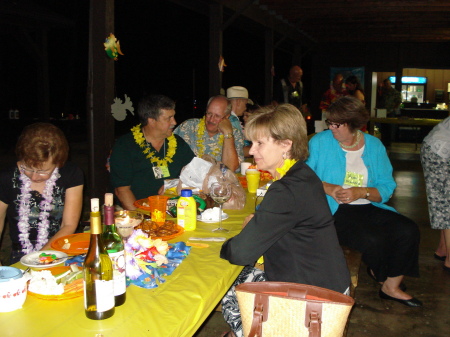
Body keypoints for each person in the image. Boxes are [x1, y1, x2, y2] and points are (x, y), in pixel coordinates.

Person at [220, 104, 351, 336]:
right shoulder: (301, 174)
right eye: (252, 143)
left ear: (286, 145)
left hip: (314, 297)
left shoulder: (287, 190)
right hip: (326, 279)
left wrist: (227, 242)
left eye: (260, 143)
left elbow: (240, 252)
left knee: (228, 290)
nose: (251, 151)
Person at [306, 96, 422, 307]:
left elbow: (386, 187)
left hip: (369, 206)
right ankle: (381, 272)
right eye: (329, 122)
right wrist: (330, 188)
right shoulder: (319, 142)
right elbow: (304, 177)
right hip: (333, 210)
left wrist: (362, 192)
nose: (331, 127)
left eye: (336, 124)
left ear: (352, 124)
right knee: (372, 239)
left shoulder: (375, 146)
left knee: (409, 230)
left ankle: (391, 286)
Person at [0, 123, 84, 265]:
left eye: (43, 171)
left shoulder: (71, 174)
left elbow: (69, 224)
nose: (34, 177)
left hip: (60, 250)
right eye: (28, 168)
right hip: (20, 255)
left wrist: (39, 259)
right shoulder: (6, 178)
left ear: (58, 162)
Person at [110, 94, 195, 210]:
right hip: (135, 212)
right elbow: (122, 190)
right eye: (168, 118)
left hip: (173, 210)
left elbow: (195, 173)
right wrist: (142, 219)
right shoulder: (125, 146)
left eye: (173, 116)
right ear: (151, 121)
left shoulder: (178, 144)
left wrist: (176, 182)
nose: (174, 122)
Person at [174, 95, 244, 172]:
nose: (211, 119)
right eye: (209, 113)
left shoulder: (235, 134)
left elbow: (230, 168)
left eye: (217, 116)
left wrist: (227, 134)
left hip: (218, 182)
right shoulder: (188, 127)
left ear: (227, 117)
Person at [420, 117, 450, 272]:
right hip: (438, 151)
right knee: (446, 204)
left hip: (440, 147)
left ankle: (443, 249)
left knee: (445, 202)